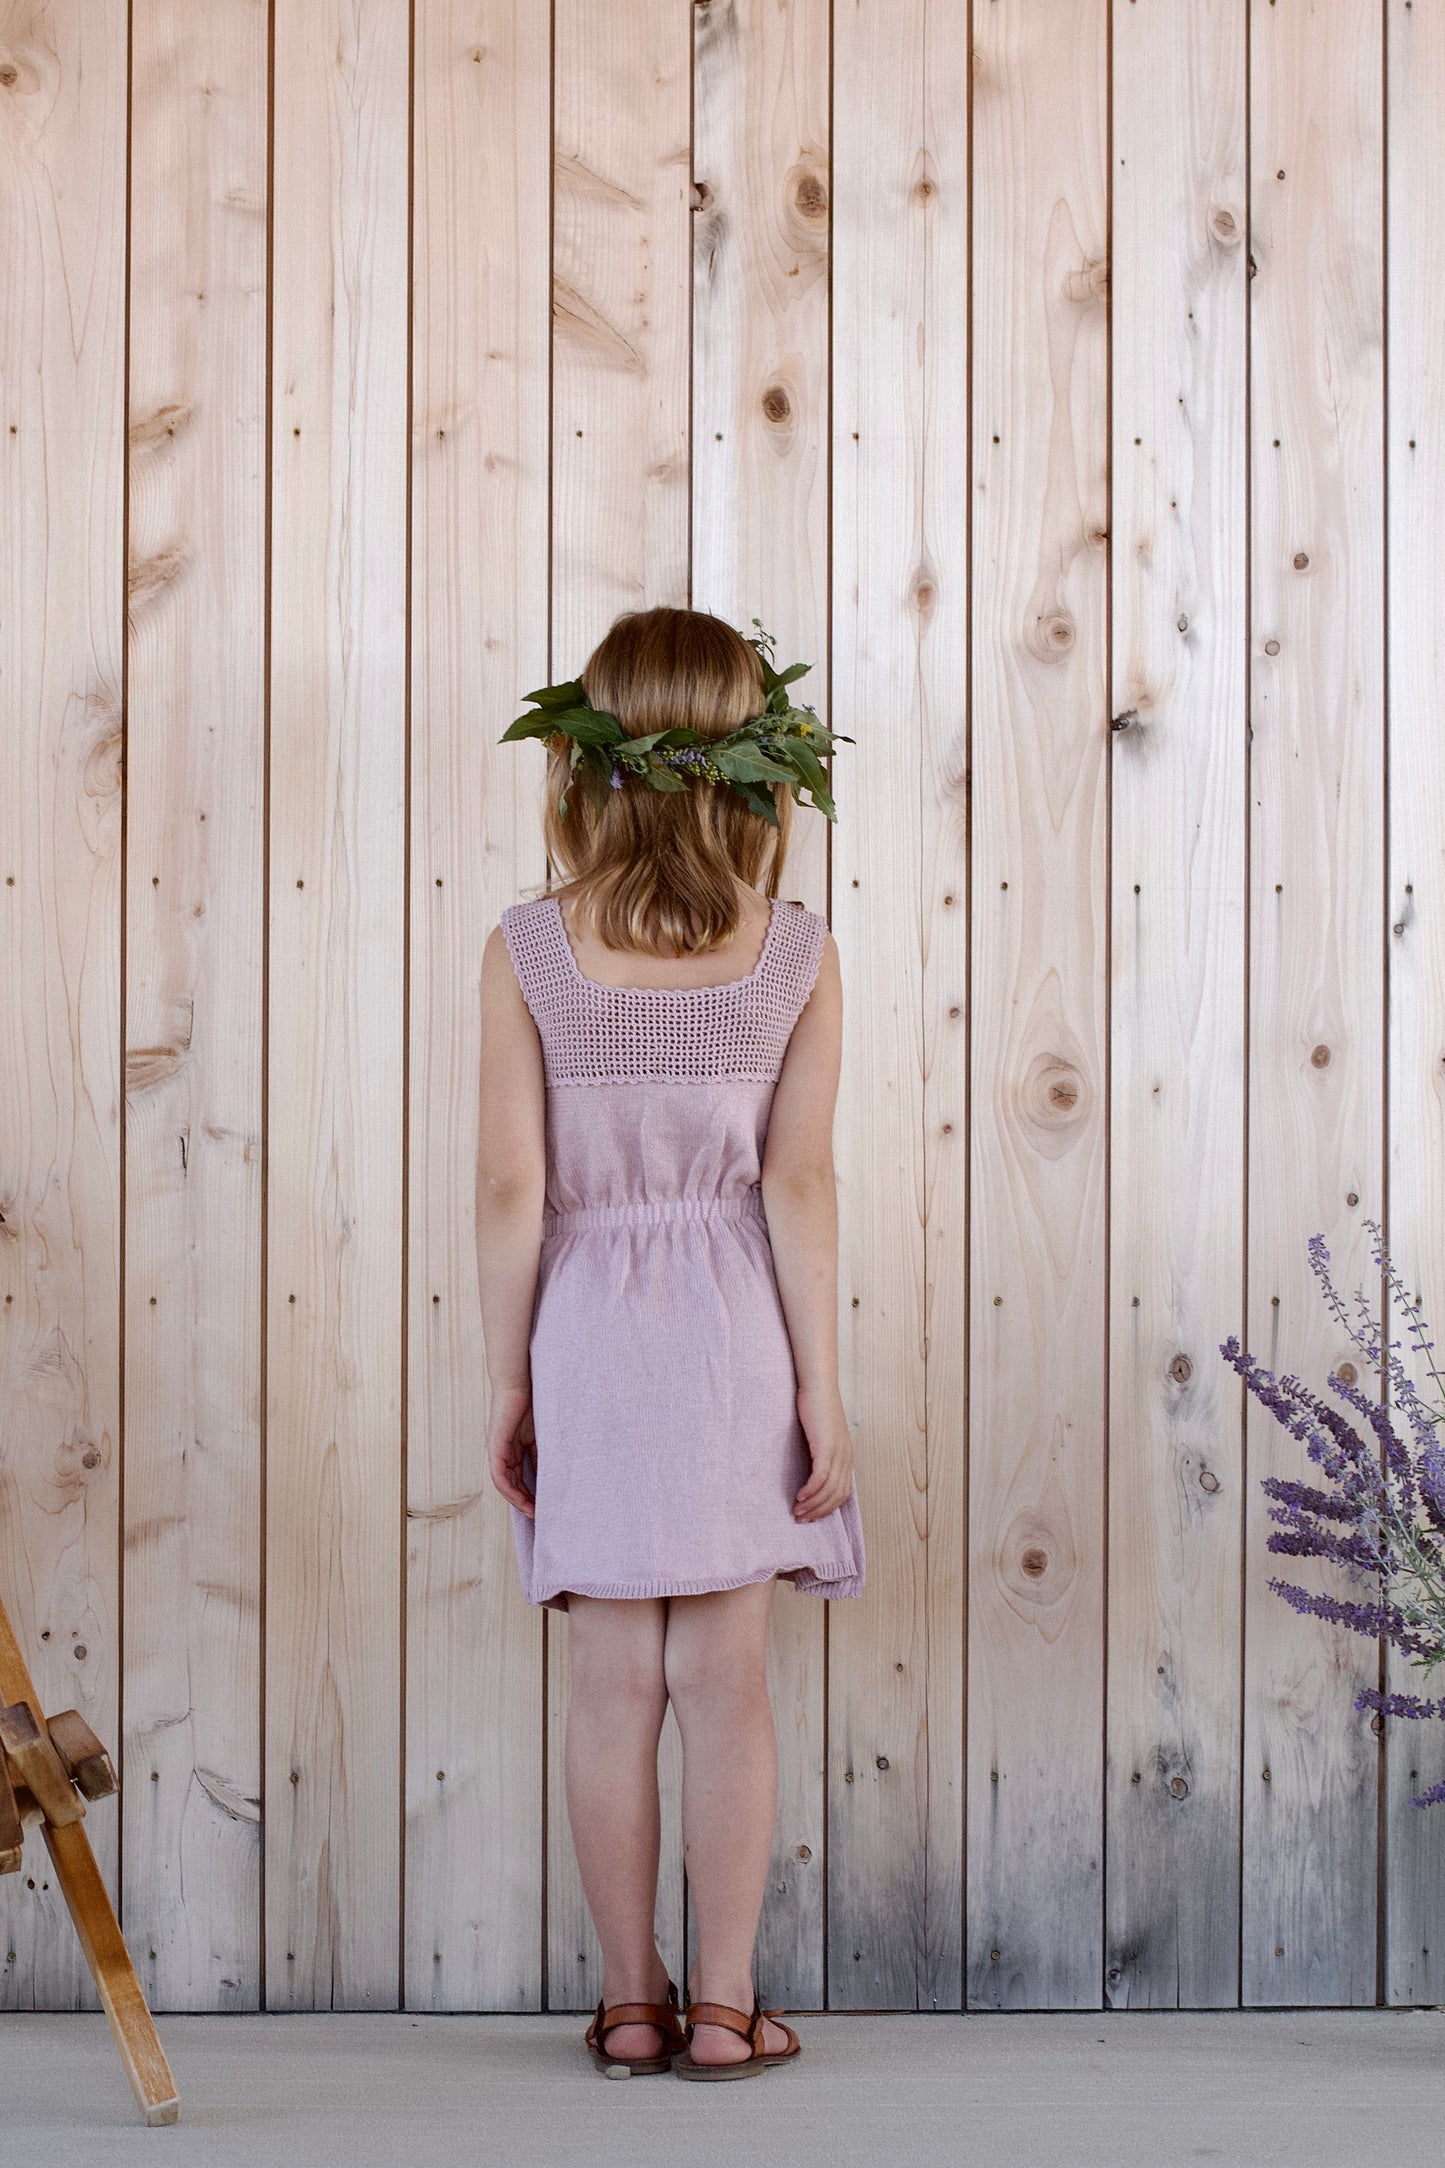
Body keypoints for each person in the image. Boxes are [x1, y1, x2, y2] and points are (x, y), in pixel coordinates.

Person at [475, 605, 865, 2081]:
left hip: (585, 1328)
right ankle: (720, 2007)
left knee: (609, 1687)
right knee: (727, 1681)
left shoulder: (529, 950)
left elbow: (513, 1186)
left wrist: (511, 1377)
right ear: (759, 768)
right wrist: (820, 1390)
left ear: (587, 756)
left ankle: (626, 2004)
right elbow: (799, 1183)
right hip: (730, 1332)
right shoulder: (795, 955)